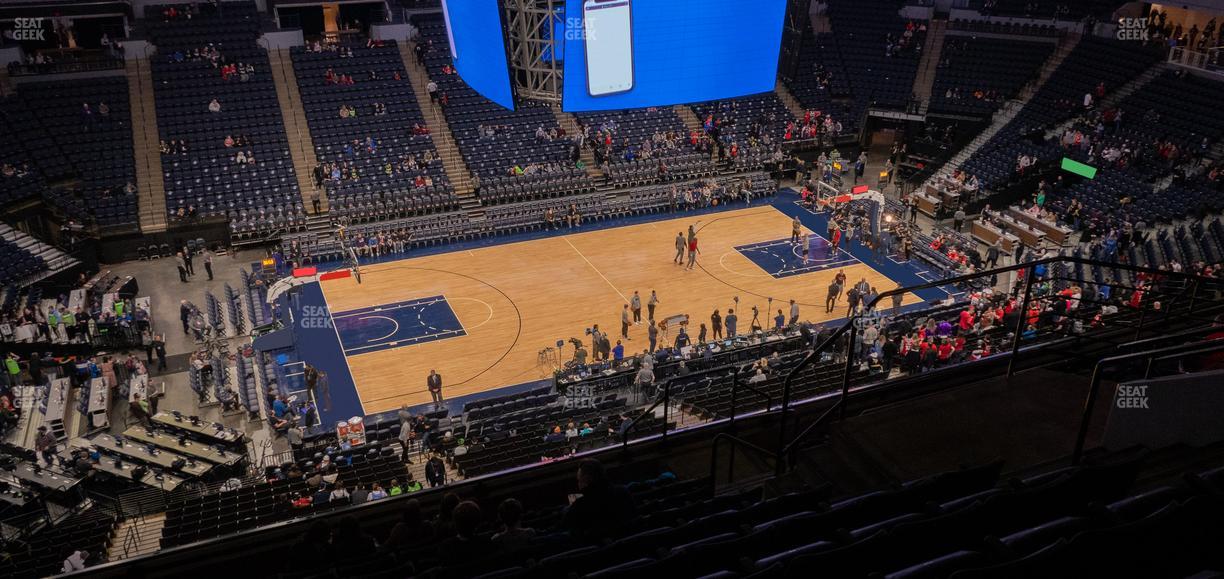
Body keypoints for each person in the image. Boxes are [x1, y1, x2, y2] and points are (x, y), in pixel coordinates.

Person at [562, 459, 636, 540]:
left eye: (579, 480)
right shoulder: (623, 492)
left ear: (587, 479)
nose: (578, 484)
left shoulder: (580, 506)